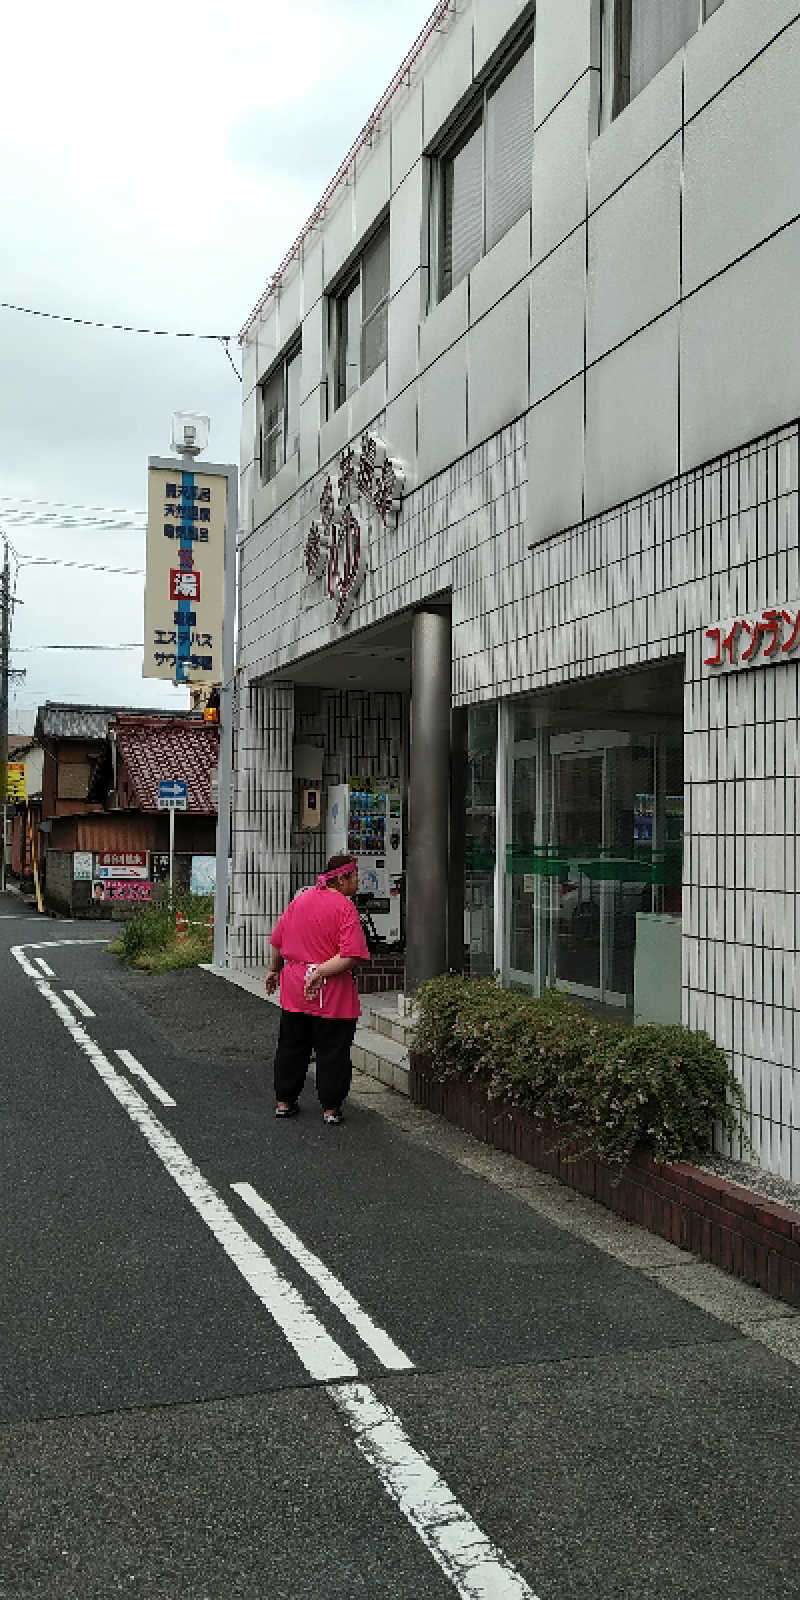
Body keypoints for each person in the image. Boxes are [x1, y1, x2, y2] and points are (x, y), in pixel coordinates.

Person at [265, 853, 370, 1125]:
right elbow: (351, 955)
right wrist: (321, 971)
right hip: (331, 991)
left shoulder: (300, 900)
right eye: (355, 876)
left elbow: (277, 940)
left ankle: (284, 1101)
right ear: (343, 878)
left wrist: (274, 970)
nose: (358, 882)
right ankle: (331, 1108)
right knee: (332, 1049)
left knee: (292, 1046)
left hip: (296, 987)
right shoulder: (344, 907)